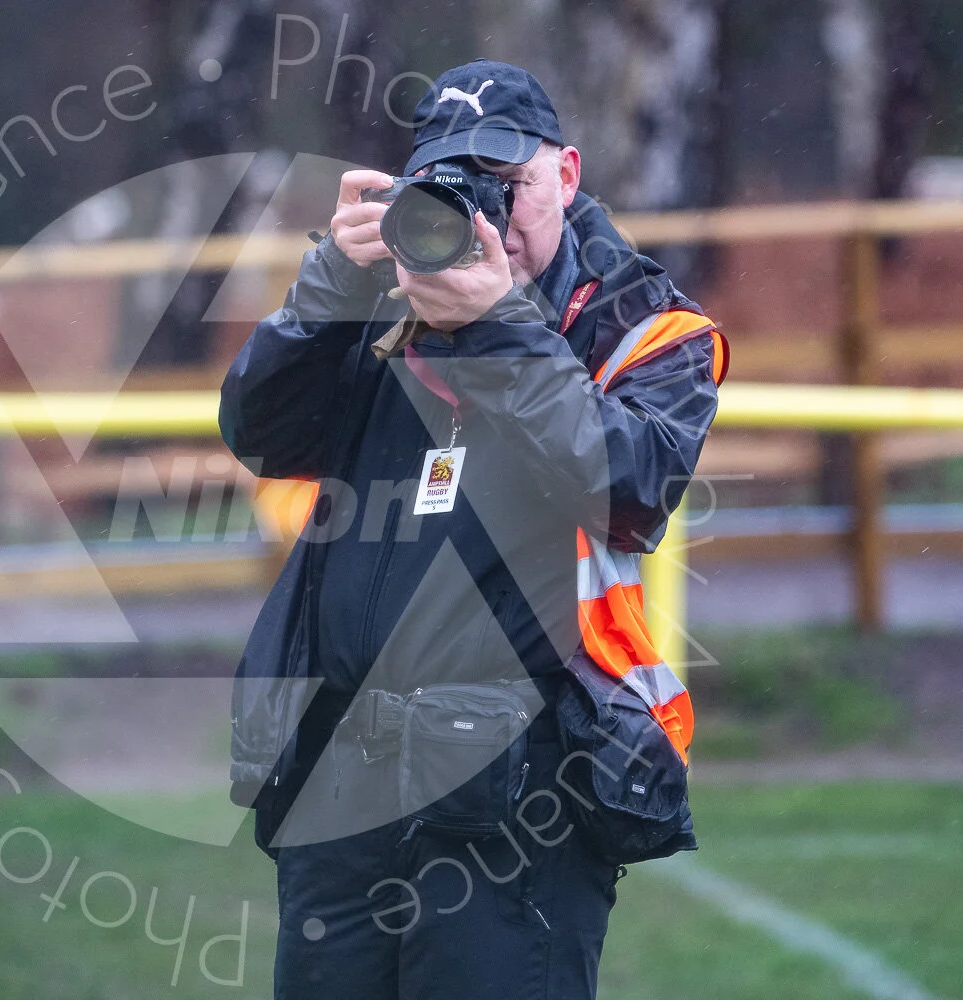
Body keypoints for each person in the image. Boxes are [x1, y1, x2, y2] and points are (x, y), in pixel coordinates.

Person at [219, 59, 728, 1000]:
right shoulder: (385, 293)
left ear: (568, 175)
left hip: (525, 789)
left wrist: (497, 326)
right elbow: (260, 436)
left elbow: (626, 488)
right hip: (341, 769)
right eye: (461, 187)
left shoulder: (645, 327)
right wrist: (327, 285)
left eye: (512, 185)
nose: (487, 217)